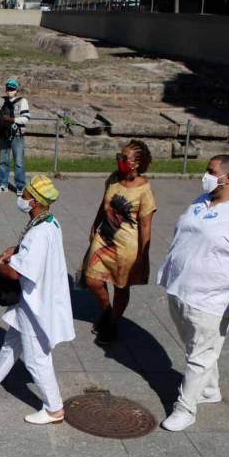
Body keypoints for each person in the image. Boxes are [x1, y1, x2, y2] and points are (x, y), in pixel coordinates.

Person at [157, 155, 229, 431]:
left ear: (228, 178)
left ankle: (185, 409)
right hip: (180, 290)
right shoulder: (201, 200)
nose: (204, 176)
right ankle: (209, 390)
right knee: (197, 348)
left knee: (200, 355)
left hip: (211, 300)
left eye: (210, 171)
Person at [0, 175, 74, 425]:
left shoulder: (40, 233)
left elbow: (15, 273)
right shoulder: (49, 222)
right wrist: (16, 250)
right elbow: (33, 253)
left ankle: (54, 409)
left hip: (37, 305)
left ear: (34, 201)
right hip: (34, 298)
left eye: (24, 195)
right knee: (12, 342)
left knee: (37, 358)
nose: (20, 198)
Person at [85, 140, 157, 344]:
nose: (119, 160)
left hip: (127, 247)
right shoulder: (114, 179)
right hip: (104, 239)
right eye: (120, 156)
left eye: (124, 157)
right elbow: (104, 203)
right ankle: (107, 311)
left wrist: (143, 255)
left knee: (120, 287)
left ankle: (112, 323)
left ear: (135, 164)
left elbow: (145, 226)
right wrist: (95, 224)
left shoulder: (144, 189)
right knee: (92, 280)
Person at [0, 79, 29, 196]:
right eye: (8, 88)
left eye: (12, 89)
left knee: (19, 162)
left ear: (16, 90)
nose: (9, 91)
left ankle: (20, 187)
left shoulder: (22, 101)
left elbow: (26, 118)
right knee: (3, 161)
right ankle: (2, 185)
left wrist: (12, 120)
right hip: (3, 134)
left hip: (17, 134)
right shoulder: (1, 101)